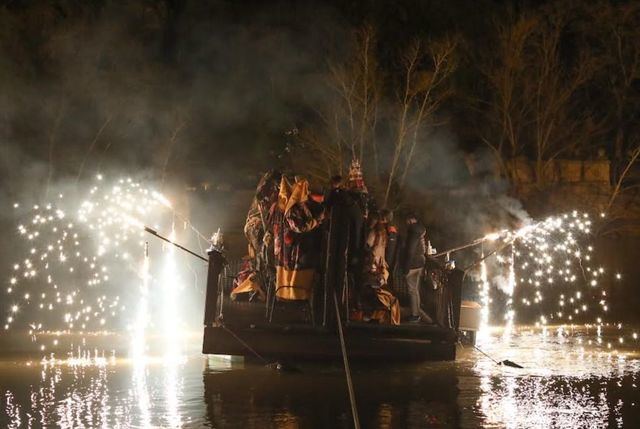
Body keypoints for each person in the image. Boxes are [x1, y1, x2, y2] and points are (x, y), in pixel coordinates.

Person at [272, 176, 325, 301]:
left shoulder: (299, 206)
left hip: (290, 245)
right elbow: (299, 227)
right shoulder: (291, 209)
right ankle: (292, 294)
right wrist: (316, 222)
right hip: (293, 247)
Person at [401, 212, 427, 323]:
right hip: (420, 263)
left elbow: (410, 250)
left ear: (411, 219)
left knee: (412, 290)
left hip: (412, 264)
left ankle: (415, 315)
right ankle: (417, 312)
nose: (406, 223)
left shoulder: (413, 231)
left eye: (407, 220)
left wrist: (406, 267)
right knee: (415, 290)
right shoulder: (421, 230)